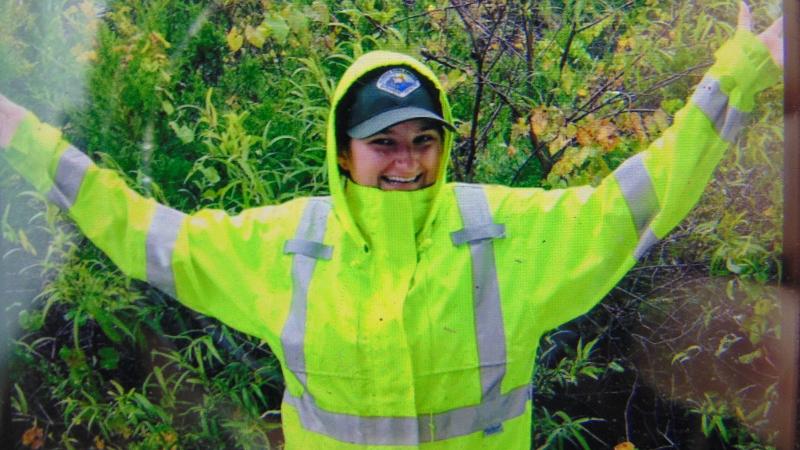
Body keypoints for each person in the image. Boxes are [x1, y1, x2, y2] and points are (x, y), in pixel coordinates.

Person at [0, 3, 784, 449]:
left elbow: (633, 203)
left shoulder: (503, 234)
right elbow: (140, 230)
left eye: (424, 140)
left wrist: (740, 75)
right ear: (344, 152)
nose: (406, 162)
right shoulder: (283, 246)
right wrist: (25, 139)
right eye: (383, 143)